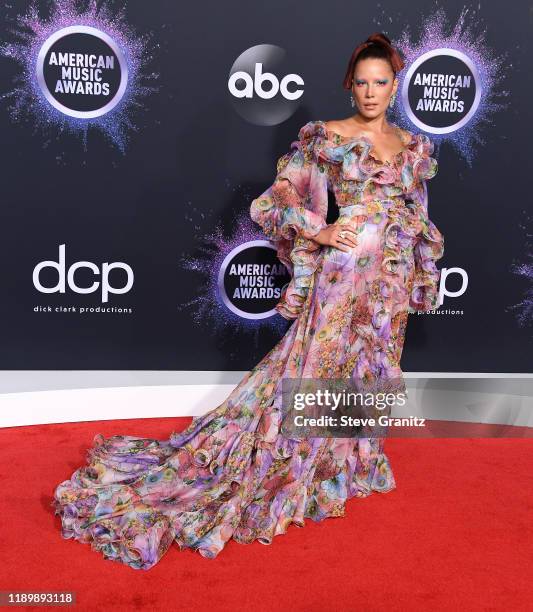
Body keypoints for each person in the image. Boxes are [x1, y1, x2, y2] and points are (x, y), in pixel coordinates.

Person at [52, 32, 444, 570]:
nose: (371, 92)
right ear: (349, 86)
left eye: (381, 82)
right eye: (361, 83)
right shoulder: (329, 136)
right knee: (318, 365)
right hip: (343, 274)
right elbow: (278, 199)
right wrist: (321, 230)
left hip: (388, 282)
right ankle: (291, 467)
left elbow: (417, 215)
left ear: (396, 85)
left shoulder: (411, 145)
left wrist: (420, 272)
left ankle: (342, 466)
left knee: (368, 369)